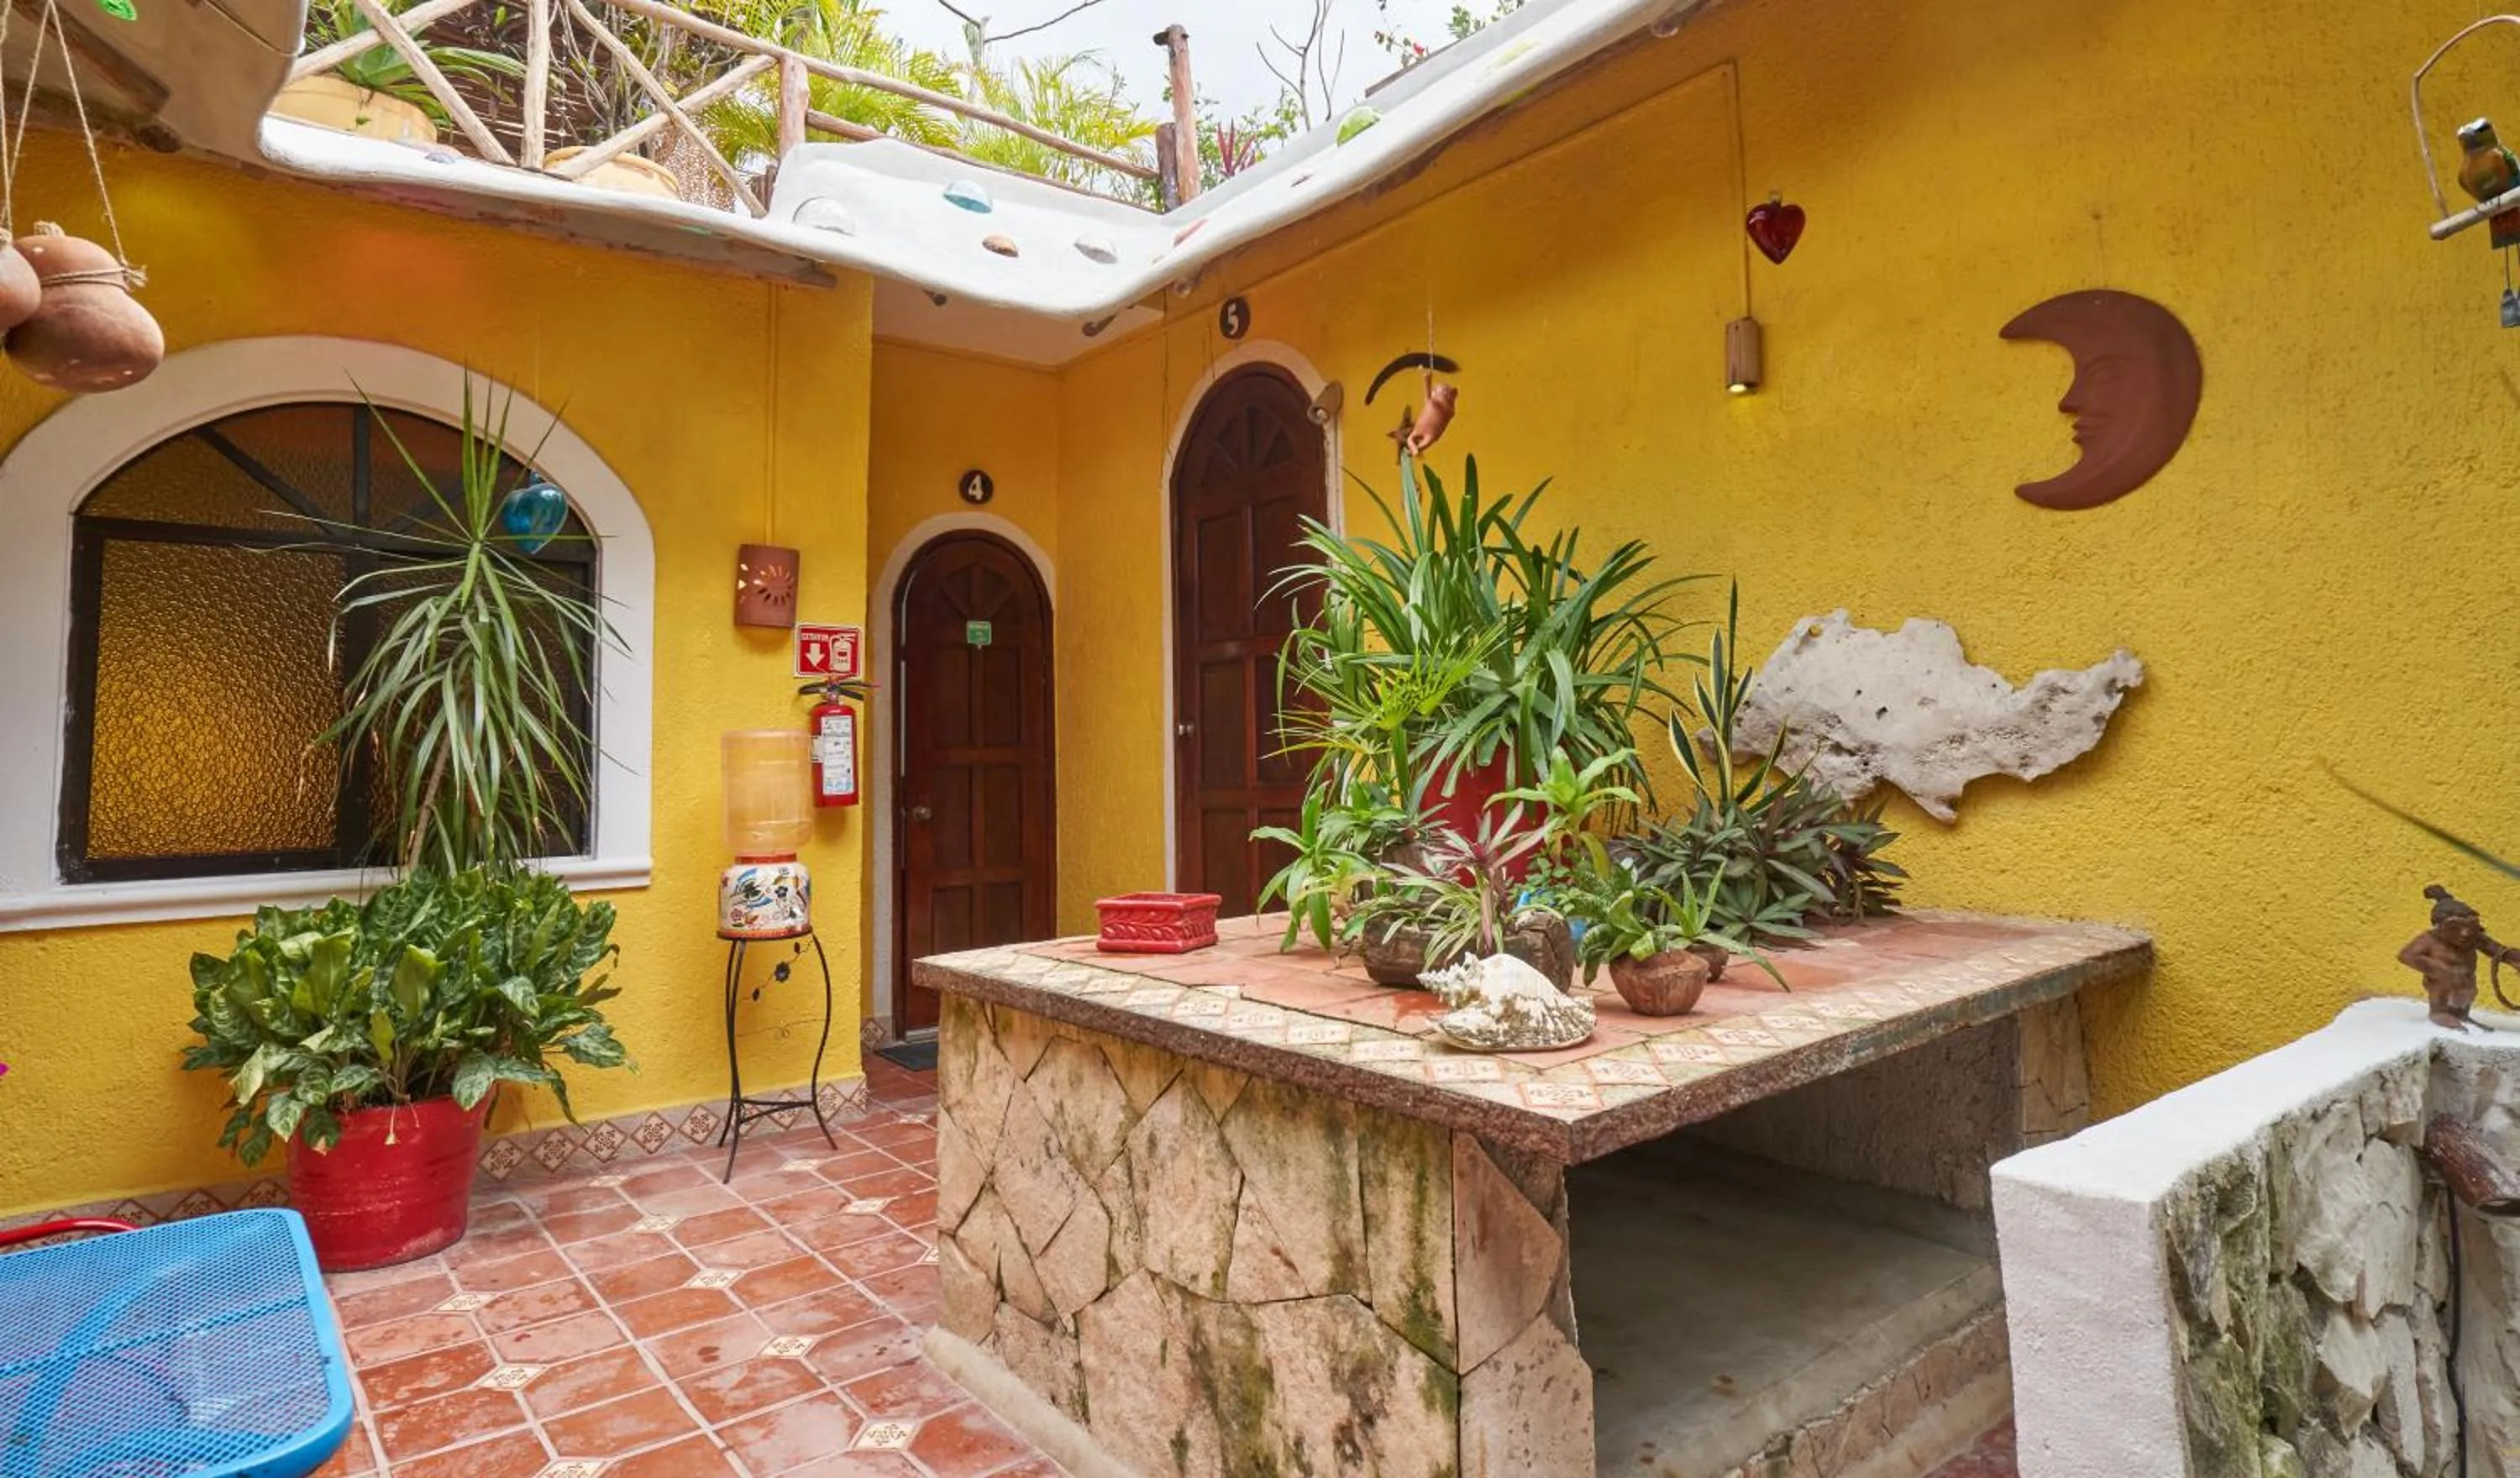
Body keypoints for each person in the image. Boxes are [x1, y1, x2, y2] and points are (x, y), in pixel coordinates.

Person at [2398, 884, 2520, 1031]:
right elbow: (2406, 955)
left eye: (2471, 926)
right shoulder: (2429, 940)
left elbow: (2497, 950)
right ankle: (2440, 1013)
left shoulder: (2474, 938)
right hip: (2442, 983)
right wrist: (2440, 970)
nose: (2465, 934)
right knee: (2444, 988)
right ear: (2439, 926)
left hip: (2467, 980)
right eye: (2455, 927)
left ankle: (2462, 1015)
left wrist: (2514, 958)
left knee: (2467, 992)